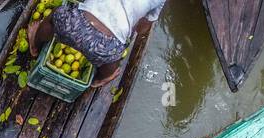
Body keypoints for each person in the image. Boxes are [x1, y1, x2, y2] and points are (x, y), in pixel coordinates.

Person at [28, 0, 166, 88]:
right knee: (114, 59)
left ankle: (35, 46)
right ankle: (99, 80)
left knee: (55, 15)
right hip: (103, 47)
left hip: (74, 25)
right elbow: (142, 29)